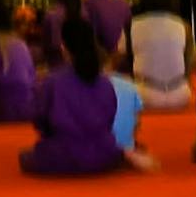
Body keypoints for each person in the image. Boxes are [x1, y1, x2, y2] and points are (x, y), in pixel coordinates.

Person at [22, 10, 151, 176]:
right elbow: (109, 119)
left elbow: (40, 120)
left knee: (26, 157)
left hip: (63, 155)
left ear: (64, 47)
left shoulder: (52, 82)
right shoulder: (105, 83)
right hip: (102, 155)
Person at [125, 0, 195, 116]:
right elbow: (190, 62)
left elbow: (125, 60)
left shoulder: (132, 25)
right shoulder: (183, 25)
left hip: (143, 97)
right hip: (180, 97)